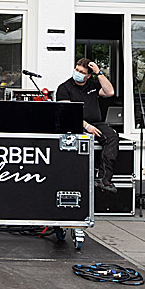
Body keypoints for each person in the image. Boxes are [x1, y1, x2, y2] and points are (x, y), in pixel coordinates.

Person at [56, 58, 118, 193]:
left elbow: (110, 92)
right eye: (76, 70)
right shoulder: (64, 88)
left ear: (88, 75)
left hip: (96, 124)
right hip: (74, 124)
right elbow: (67, 112)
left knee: (112, 137)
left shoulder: (92, 84)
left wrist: (99, 72)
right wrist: (85, 126)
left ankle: (104, 179)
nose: (77, 72)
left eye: (81, 72)